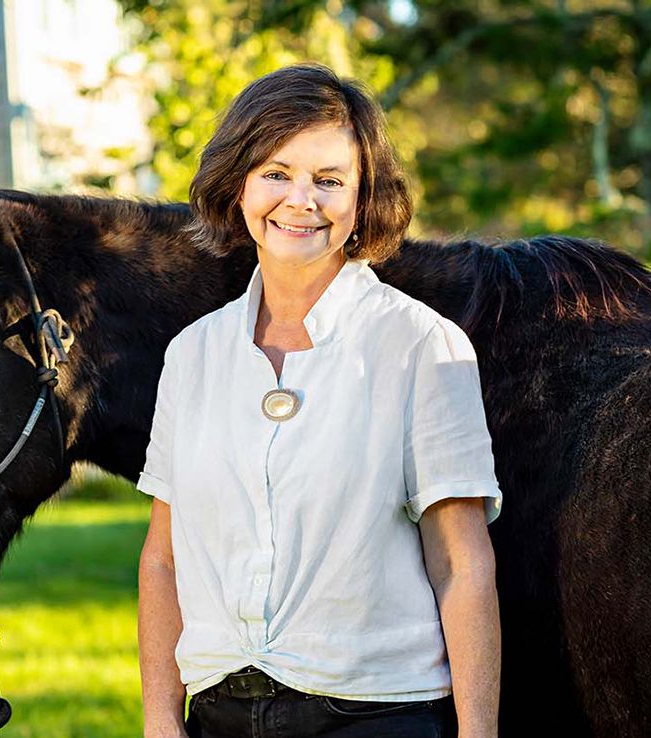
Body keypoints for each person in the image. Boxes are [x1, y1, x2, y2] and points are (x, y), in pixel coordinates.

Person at [137, 63, 502, 738]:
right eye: (276, 173)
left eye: (329, 180)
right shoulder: (192, 355)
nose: (301, 199)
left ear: (362, 202)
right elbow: (163, 559)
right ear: (238, 184)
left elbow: (461, 562)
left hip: (372, 717)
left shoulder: (421, 344)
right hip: (217, 716)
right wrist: (161, 721)